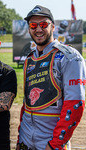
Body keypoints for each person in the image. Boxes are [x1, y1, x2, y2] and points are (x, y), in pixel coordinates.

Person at [16, 5, 85, 150]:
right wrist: (19, 139)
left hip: (50, 141)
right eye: (33, 25)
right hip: (26, 140)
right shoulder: (30, 59)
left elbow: (75, 105)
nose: (38, 29)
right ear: (29, 28)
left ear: (53, 27)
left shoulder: (69, 57)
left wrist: (55, 144)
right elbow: (27, 103)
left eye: (44, 24)